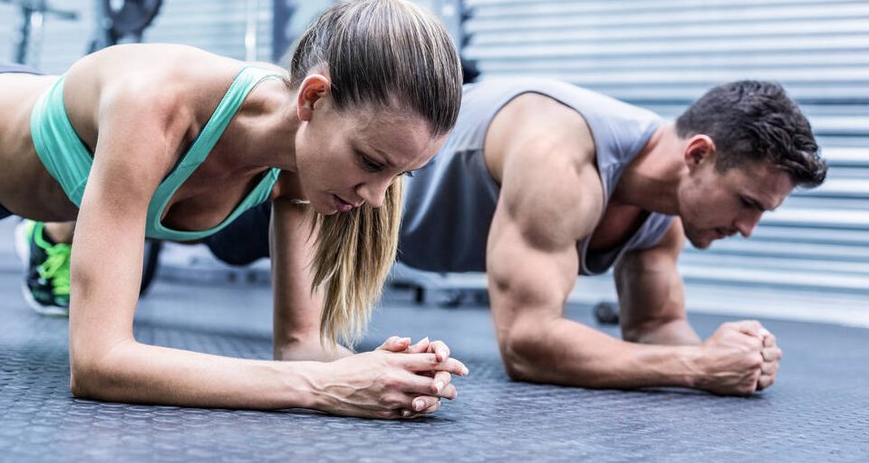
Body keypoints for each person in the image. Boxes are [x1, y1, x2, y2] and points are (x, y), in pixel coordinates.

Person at [0, 0, 468, 419]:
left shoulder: (303, 170)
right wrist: (322, 387)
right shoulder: (155, 104)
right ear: (313, 99)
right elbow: (99, 363)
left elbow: (300, 347)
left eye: (402, 174)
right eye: (371, 162)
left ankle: (57, 229)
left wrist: (387, 371)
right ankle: (55, 234)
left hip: (12, 185)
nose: (377, 199)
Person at [189, 78, 827, 396]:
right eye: (747, 203)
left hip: (378, 233)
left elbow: (657, 327)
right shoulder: (562, 153)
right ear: (697, 153)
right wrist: (695, 366)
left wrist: (729, 356)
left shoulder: (667, 212)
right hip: (328, 195)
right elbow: (527, 344)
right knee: (203, 219)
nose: (747, 228)